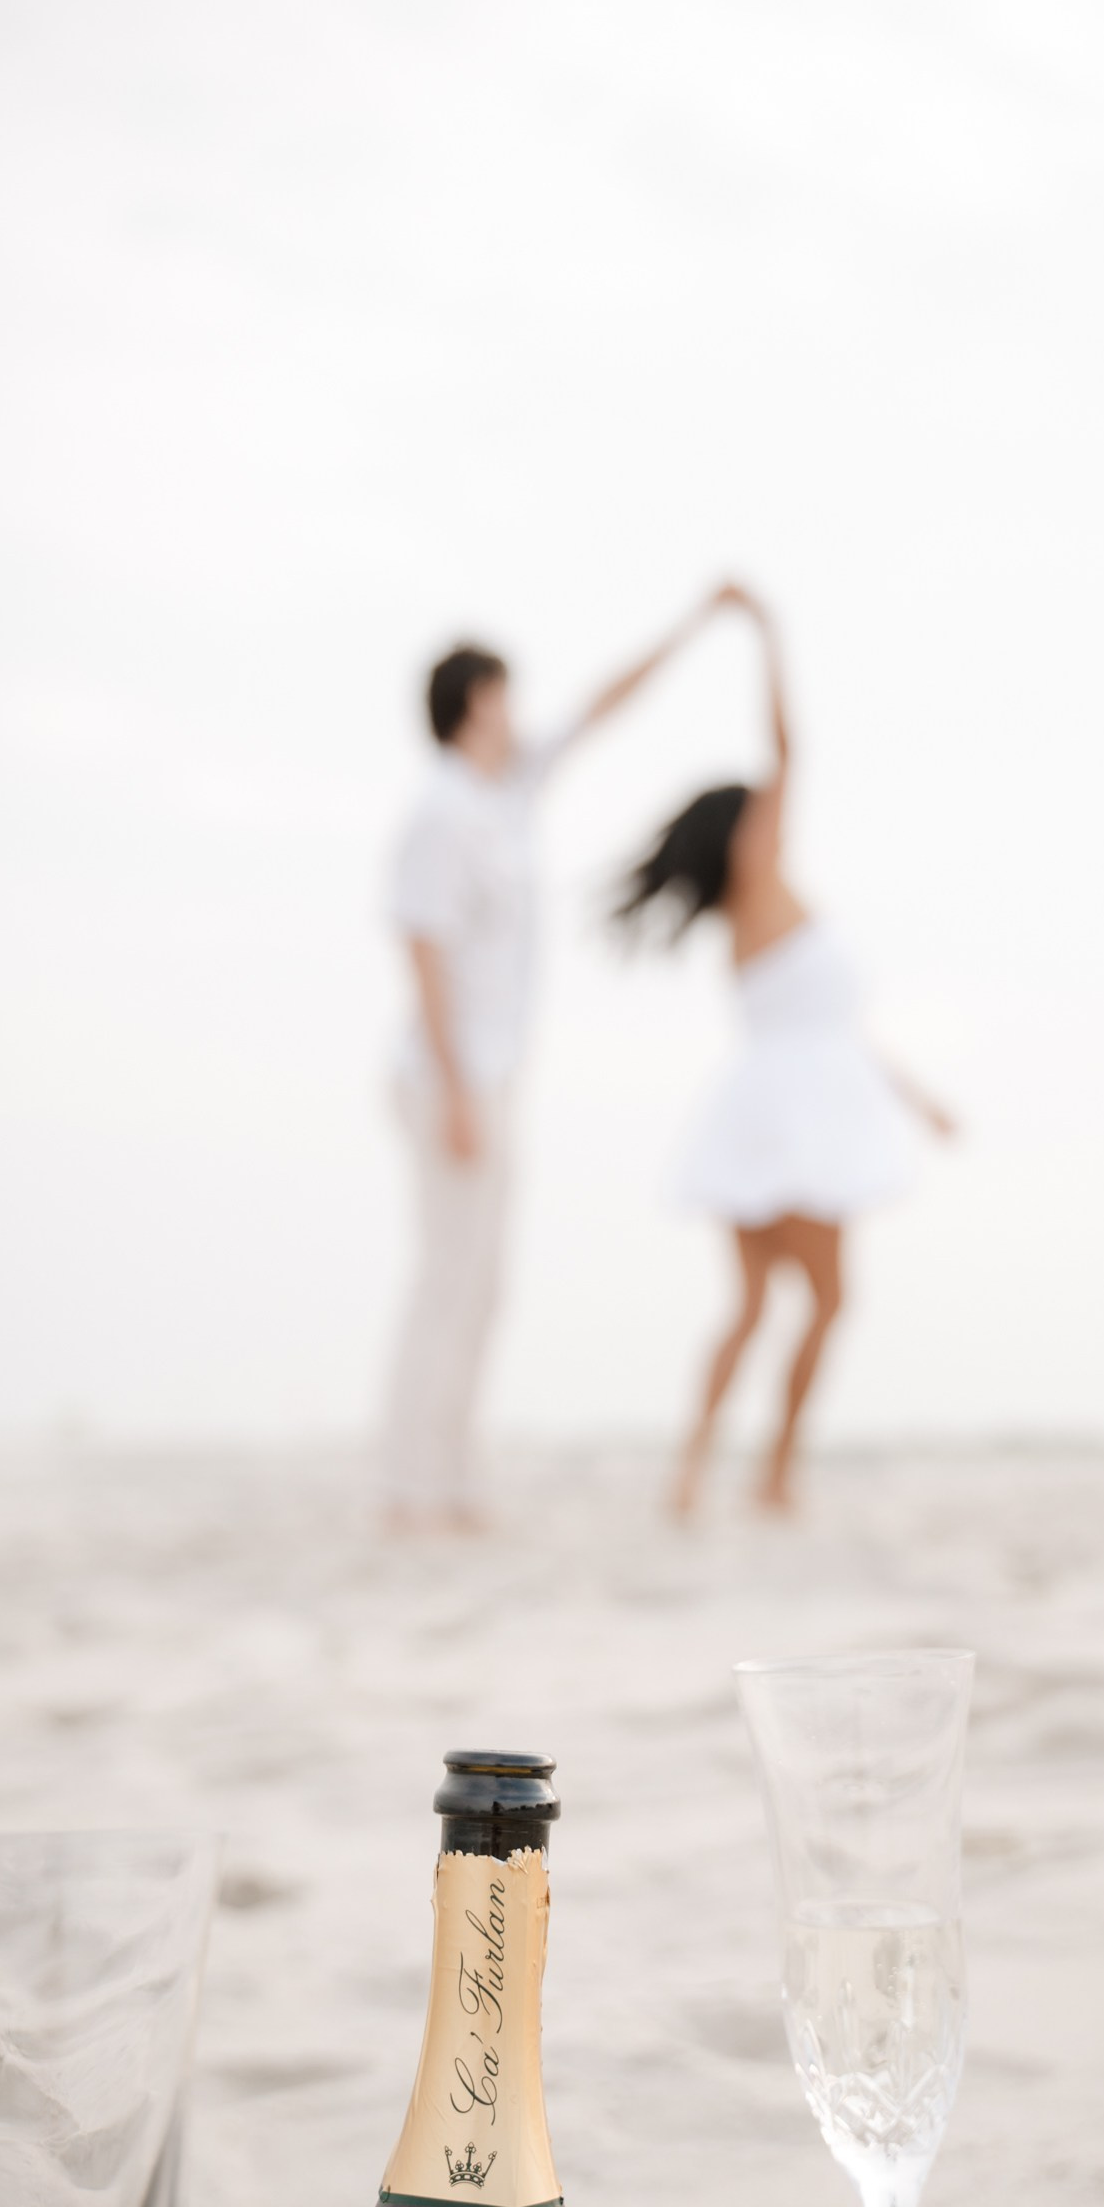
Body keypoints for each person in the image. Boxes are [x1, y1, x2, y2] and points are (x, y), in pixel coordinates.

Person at [381, 593, 730, 1531]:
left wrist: (693, 624)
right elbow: (421, 947)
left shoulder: (510, 791)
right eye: (504, 696)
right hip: (448, 1074)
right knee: (448, 1275)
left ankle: (451, 1480)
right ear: (475, 704)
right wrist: (457, 1090)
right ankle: (408, 1486)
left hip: (494, 1073)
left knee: (485, 1283)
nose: (519, 710)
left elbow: (603, 704)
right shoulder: (442, 812)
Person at [615, 590, 956, 1517]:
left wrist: (914, 1098)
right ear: (750, 831)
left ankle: (694, 1472)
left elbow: (836, 1025)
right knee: (828, 1302)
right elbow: (790, 755)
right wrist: (766, 634)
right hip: (801, 1121)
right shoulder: (762, 891)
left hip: (763, 1112)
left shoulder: (753, 918)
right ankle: (774, 1472)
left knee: (756, 1308)